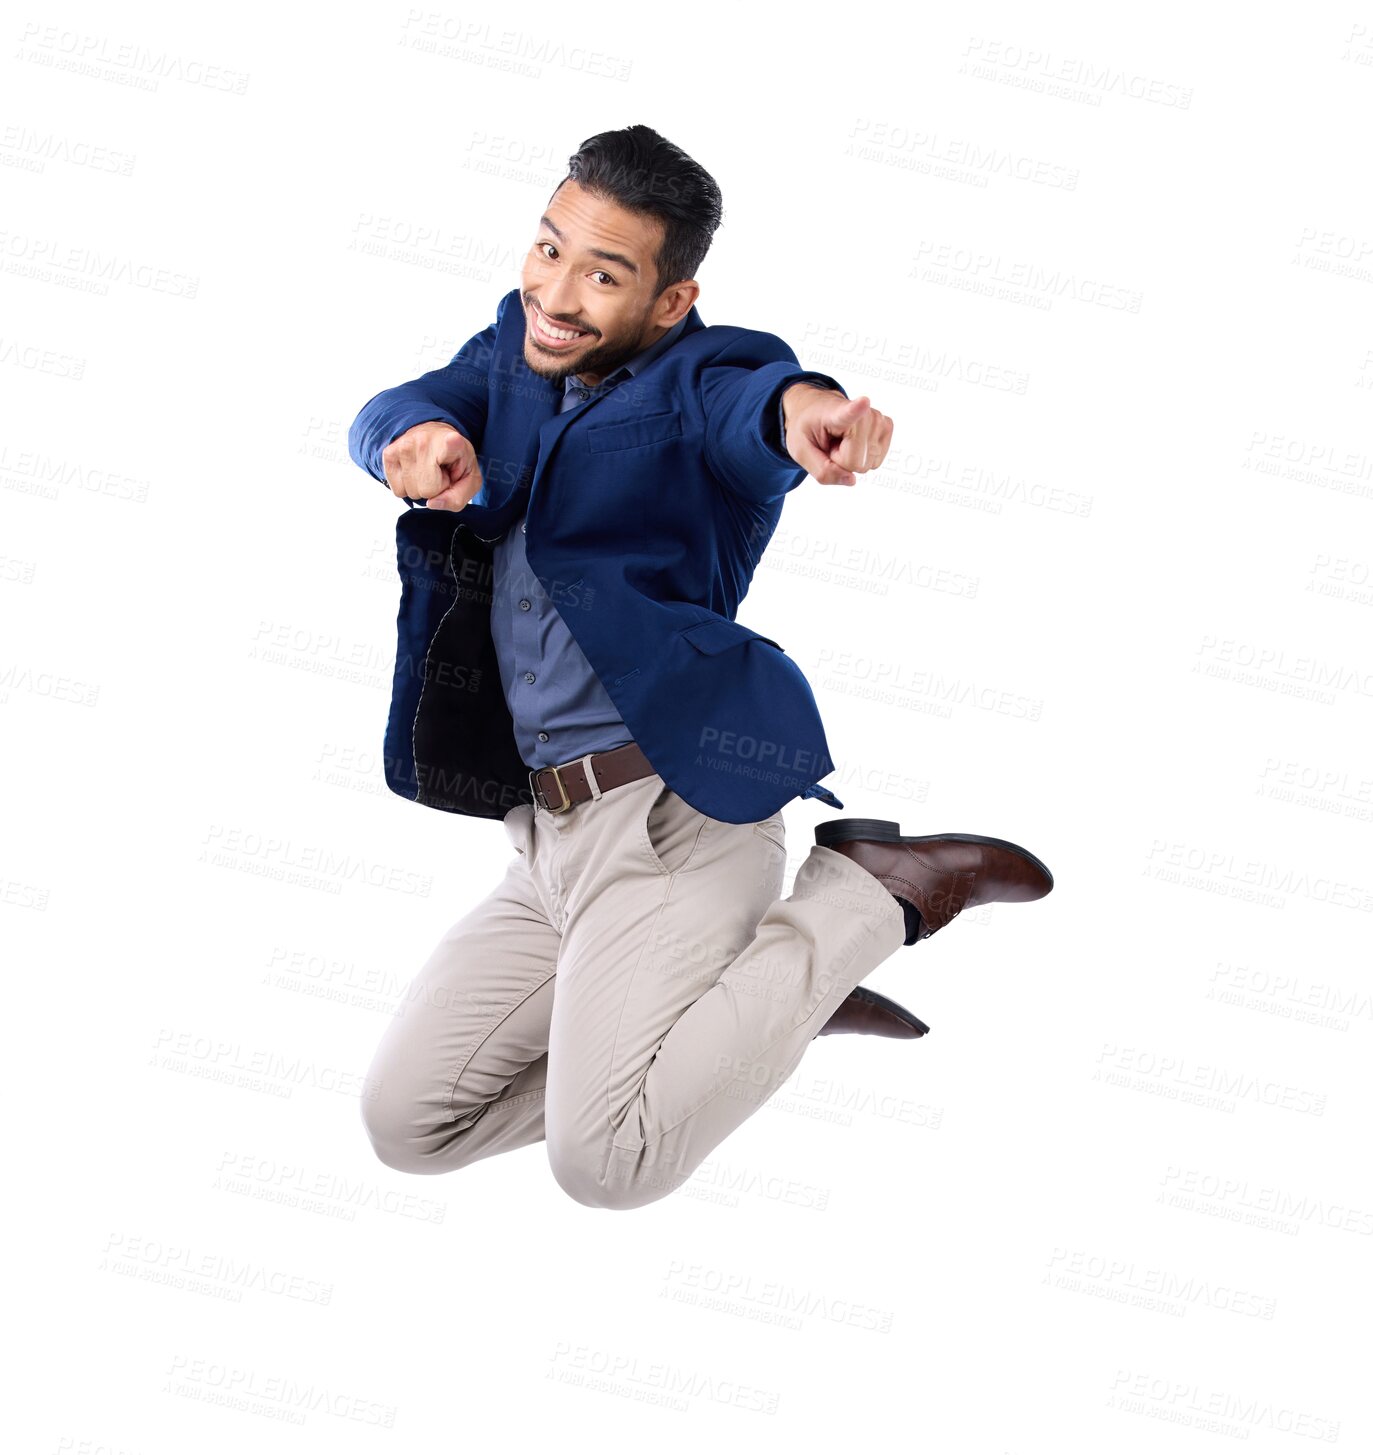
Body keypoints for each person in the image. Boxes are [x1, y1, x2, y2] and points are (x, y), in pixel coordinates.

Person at [347, 125, 1053, 1210]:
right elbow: (397, 405)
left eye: (604, 273)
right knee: (409, 1125)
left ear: (669, 300)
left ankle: (874, 893)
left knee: (608, 1164)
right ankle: (760, 1010)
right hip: (544, 840)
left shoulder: (696, 375)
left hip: (670, 818)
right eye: (547, 250)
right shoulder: (513, 353)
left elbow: (758, 404)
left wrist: (808, 419)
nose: (557, 291)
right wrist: (412, 437)